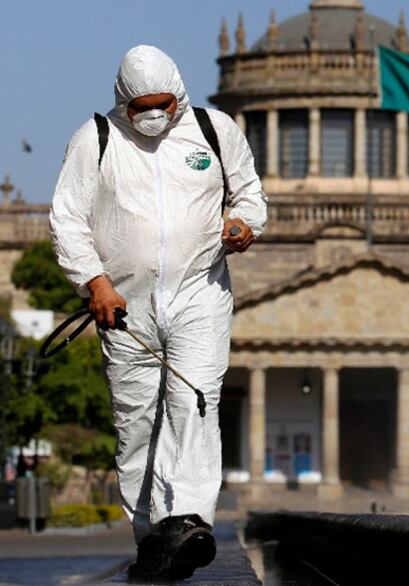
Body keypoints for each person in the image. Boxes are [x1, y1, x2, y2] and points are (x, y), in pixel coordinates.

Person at [50, 45, 267, 581]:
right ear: (123, 100)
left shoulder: (213, 131)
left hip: (199, 293)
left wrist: (242, 224)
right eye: (141, 105)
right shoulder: (96, 139)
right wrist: (94, 281)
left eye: (162, 103)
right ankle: (152, 537)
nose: (152, 114)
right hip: (124, 306)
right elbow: (67, 218)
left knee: (195, 397)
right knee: (137, 422)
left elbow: (249, 193)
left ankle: (186, 518)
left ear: (179, 95)